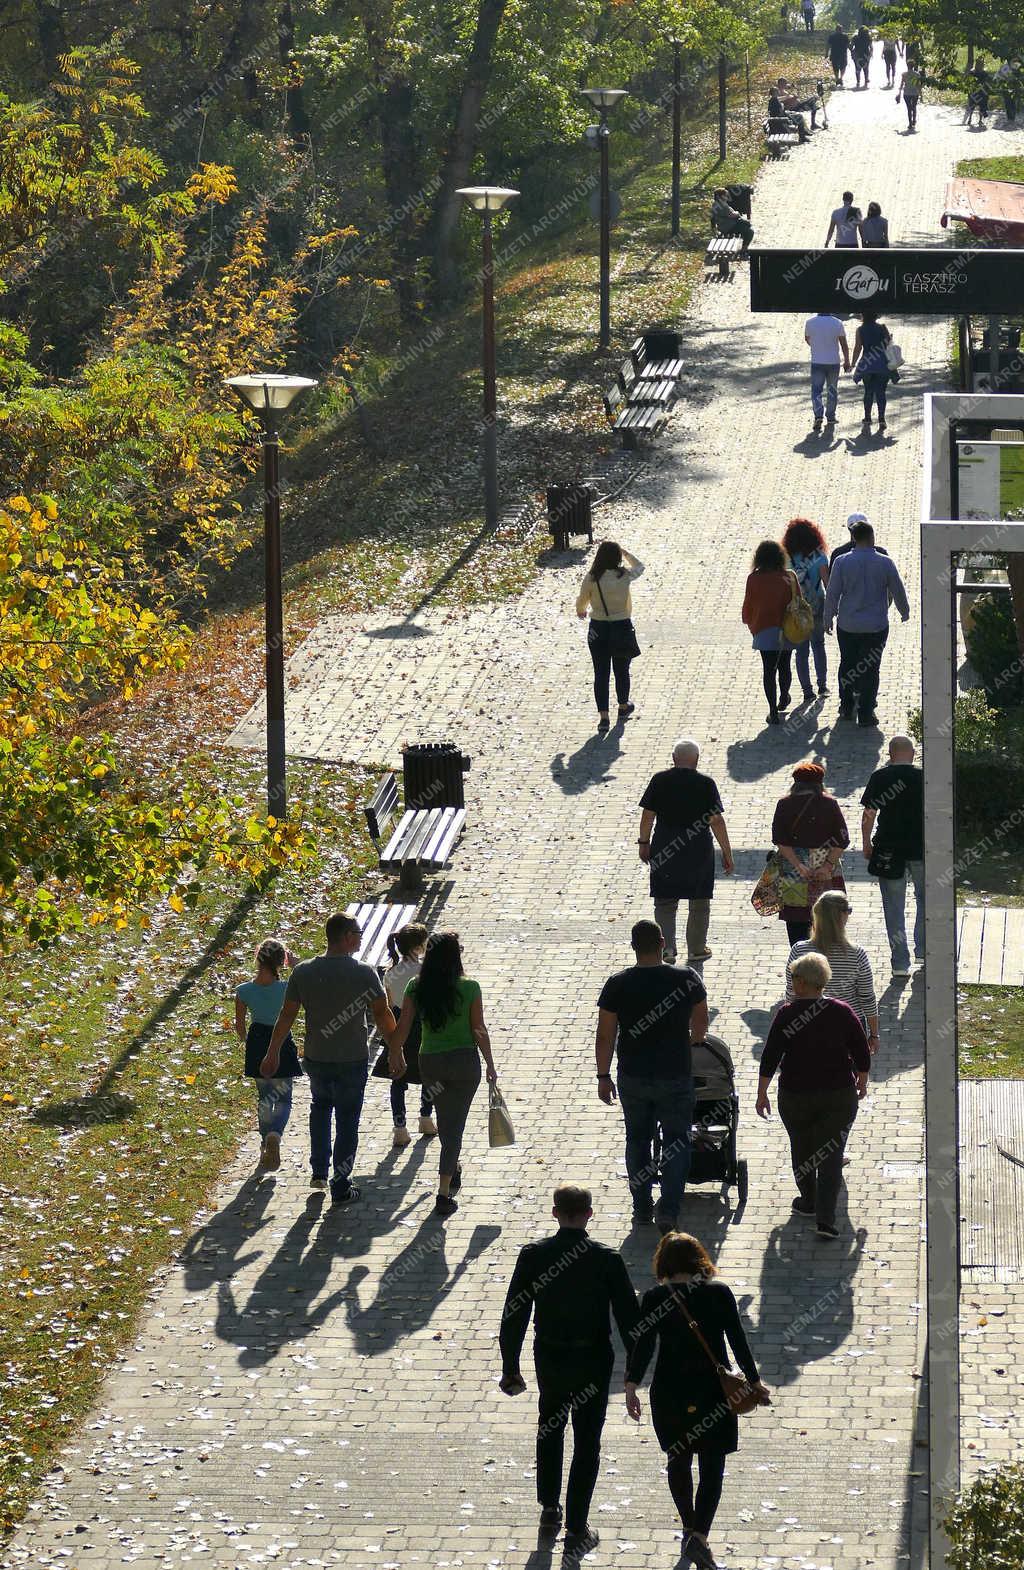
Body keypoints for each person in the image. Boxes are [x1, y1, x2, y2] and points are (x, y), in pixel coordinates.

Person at [499, 1185, 639, 1561]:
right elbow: (630, 1320)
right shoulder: (606, 1259)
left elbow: (514, 1314)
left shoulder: (534, 1256)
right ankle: (578, 1526)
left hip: (550, 1356)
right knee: (588, 1439)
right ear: (590, 1214)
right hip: (594, 1358)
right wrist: (633, 1375)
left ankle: (549, 1507)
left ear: (554, 1213)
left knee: (550, 1426)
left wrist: (510, 1366)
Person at [625, 1232, 770, 1568]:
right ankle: (700, 1536)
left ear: (663, 1263)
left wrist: (632, 1384)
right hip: (713, 1392)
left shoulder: (654, 1297)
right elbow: (737, 1340)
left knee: (678, 1459)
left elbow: (644, 1345)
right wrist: (753, 1381)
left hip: (670, 1390)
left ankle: (689, 1527)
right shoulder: (718, 1293)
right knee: (712, 1466)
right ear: (699, 1260)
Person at [261, 913, 395, 1205]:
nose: (361, 938)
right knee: (348, 1119)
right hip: (352, 1058)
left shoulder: (304, 972)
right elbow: (383, 1015)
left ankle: (319, 1171)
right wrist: (396, 1049)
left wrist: (272, 1052)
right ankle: (341, 1184)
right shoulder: (364, 973)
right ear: (347, 936)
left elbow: (287, 1015)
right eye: (358, 933)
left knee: (320, 1109)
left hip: (317, 1057)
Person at [596, 920, 708, 1232]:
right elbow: (701, 1022)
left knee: (637, 1140)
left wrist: (603, 1075)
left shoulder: (617, 984)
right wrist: (692, 1041)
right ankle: (669, 1210)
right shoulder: (686, 977)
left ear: (633, 946)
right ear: (662, 943)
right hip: (675, 1074)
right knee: (676, 1141)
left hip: (633, 1076)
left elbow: (605, 1036)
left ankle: (642, 1207)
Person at [757, 952, 871, 1239]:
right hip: (838, 1095)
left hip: (796, 1095)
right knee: (831, 1155)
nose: (792, 982)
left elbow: (771, 1054)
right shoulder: (842, 1011)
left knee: (802, 1146)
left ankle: (807, 1200)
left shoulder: (787, 1014)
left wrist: (762, 1092)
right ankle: (826, 1219)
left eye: (794, 977)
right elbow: (860, 1048)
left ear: (803, 982)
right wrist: (863, 1077)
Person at [389, 930, 497, 1217]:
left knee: (446, 1120)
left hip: (430, 1062)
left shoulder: (416, 986)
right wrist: (490, 1063)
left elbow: (403, 1026)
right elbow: (478, 1029)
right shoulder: (470, 987)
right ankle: (443, 1191)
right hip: (464, 1063)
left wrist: (395, 1052)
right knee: (454, 1126)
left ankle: (453, 1165)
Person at [638, 739, 733, 967]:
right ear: (697, 760)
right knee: (699, 901)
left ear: (673, 758)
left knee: (665, 902)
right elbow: (716, 821)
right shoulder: (706, 784)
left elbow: (648, 816)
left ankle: (667, 948)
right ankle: (697, 949)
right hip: (697, 850)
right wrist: (727, 852)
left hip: (665, 848)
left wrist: (644, 842)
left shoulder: (659, 780)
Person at [823, 519, 910, 726]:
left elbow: (833, 593)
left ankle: (846, 706)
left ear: (853, 538)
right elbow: (897, 588)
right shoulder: (885, 562)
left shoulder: (841, 562)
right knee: (871, 668)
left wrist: (828, 617)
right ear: (872, 537)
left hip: (848, 625)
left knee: (847, 664)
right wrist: (904, 611)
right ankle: (866, 712)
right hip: (875, 626)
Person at [235, 938, 301, 1173]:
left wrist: (246, 1042)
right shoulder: (287, 988)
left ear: (257, 958)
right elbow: (309, 983)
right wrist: (295, 964)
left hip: (257, 1043)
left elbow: (240, 1026)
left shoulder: (243, 991)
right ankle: (275, 1134)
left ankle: (264, 1143)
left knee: (264, 1097)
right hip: (281, 1041)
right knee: (283, 1097)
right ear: (281, 960)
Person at [785, 890, 879, 1053]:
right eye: (848, 910)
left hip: (807, 1025)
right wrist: (874, 1034)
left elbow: (792, 994)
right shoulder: (857, 954)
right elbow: (867, 997)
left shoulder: (799, 950)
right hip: (849, 1025)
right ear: (841, 916)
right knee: (849, 1075)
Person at [861, 734, 924, 978]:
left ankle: (900, 963)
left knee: (894, 907)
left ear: (889, 754)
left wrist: (866, 843)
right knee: (926, 899)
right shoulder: (924, 777)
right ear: (913, 754)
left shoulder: (880, 777)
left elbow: (869, 814)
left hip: (888, 849)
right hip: (921, 849)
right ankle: (924, 950)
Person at [771, 761, 850, 945]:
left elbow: (780, 840)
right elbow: (842, 839)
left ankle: (799, 960)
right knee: (826, 915)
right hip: (824, 864)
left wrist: (798, 865)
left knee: (796, 919)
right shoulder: (829, 803)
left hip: (793, 867)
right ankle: (825, 960)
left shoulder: (784, 804)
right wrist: (827, 865)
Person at [576, 540, 643, 733]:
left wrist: (581, 611)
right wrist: (626, 553)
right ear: (618, 557)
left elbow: (582, 601)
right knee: (622, 669)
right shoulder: (624, 576)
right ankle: (623, 706)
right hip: (621, 626)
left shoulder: (592, 577)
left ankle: (603, 717)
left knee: (601, 672)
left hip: (598, 628)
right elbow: (640, 567)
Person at [381, 923, 437, 1147]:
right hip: (422, 1025)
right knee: (429, 1074)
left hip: (397, 1026)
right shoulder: (425, 970)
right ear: (418, 946)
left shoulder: (390, 972)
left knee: (397, 1078)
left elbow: (388, 1002)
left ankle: (400, 1128)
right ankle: (425, 1117)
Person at [742, 539, 798, 725]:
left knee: (768, 670)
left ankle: (773, 710)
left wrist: (750, 622)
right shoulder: (789, 577)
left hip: (764, 628)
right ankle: (784, 696)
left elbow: (748, 604)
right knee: (785, 665)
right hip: (787, 628)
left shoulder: (753, 578)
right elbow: (798, 600)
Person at [781, 517, 829, 700]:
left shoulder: (787, 559)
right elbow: (827, 583)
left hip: (797, 610)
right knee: (819, 645)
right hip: (817, 607)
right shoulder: (820, 556)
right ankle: (822, 686)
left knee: (801, 651)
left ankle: (807, 691)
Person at [804, 309, 850, 434]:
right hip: (833, 362)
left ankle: (818, 415)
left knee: (816, 390)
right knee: (832, 390)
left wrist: (818, 346)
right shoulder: (837, 323)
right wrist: (847, 361)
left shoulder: (810, 322)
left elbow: (807, 339)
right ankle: (830, 416)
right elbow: (843, 344)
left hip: (817, 361)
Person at [851, 308, 894, 431]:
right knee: (881, 392)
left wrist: (853, 364)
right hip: (882, 364)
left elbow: (858, 347)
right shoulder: (882, 328)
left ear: (863, 316)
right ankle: (881, 419)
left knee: (868, 391)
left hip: (867, 365)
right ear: (876, 316)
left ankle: (868, 418)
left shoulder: (860, 330)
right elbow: (888, 343)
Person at [896, 59, 922, 129]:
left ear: (907, 66)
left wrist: (899, 92)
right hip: (914, 93)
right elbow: (918, 85)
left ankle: (910, 123)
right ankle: (914, 120)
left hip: (906, 93)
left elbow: (901, 84)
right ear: (913, 66)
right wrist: (921, 94)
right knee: (914, 107)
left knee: (909, 108)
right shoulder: (917, 75)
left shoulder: (904, 74)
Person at [965, 58, 991, 127]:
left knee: (982, 106)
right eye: (979, 64)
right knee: (972, 106)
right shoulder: (972, 72)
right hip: (974, 92)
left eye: (982, 64)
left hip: (982, 92)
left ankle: (980, 120)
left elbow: (987, 83)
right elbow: (969, 82)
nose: (980, 66)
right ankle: (970, 118)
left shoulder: (984, 73)